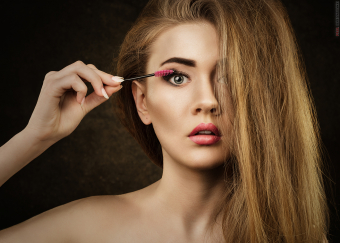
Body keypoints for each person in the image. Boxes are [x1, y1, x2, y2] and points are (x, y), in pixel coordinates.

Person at [0, 0, 330, 242]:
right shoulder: (84, 229)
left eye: (229, 76)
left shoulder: (298, 234)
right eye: (176, 78)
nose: (207, 101)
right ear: (142, 101)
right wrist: (34, 137)